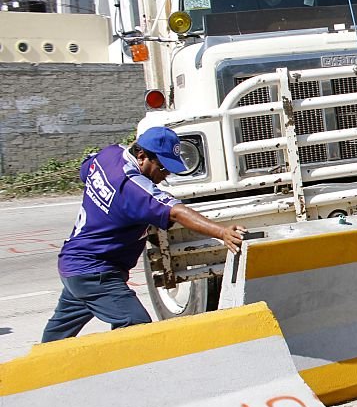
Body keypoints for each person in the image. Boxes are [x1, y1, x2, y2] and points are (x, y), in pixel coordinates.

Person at [42, 127, 247, 343]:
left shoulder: (108, 155)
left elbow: (85, 169)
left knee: (57, 336)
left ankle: (36, 372)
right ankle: (121, 374)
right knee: (135, 325)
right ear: (142, 157)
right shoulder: (133, 188)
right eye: (162, 168)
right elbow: (176, 211)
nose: (165, 176)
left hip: (74, 264)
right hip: (95, 271)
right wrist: (222, 232)